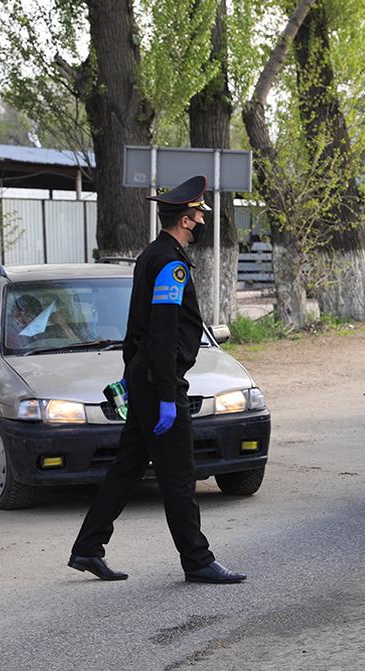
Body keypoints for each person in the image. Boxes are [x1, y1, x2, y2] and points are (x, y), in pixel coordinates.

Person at [69, 175, 245, 584]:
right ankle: (197, 560)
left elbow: (136, 328)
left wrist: (132, 376)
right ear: (185, 220)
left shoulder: (151, 255)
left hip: (145, 377)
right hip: (160, 381)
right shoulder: (171, 265)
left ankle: (88, 548)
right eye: (199, 215)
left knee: (127, 468)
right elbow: (163, 333)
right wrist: (166, 394)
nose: (203, 221)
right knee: (179, 475)